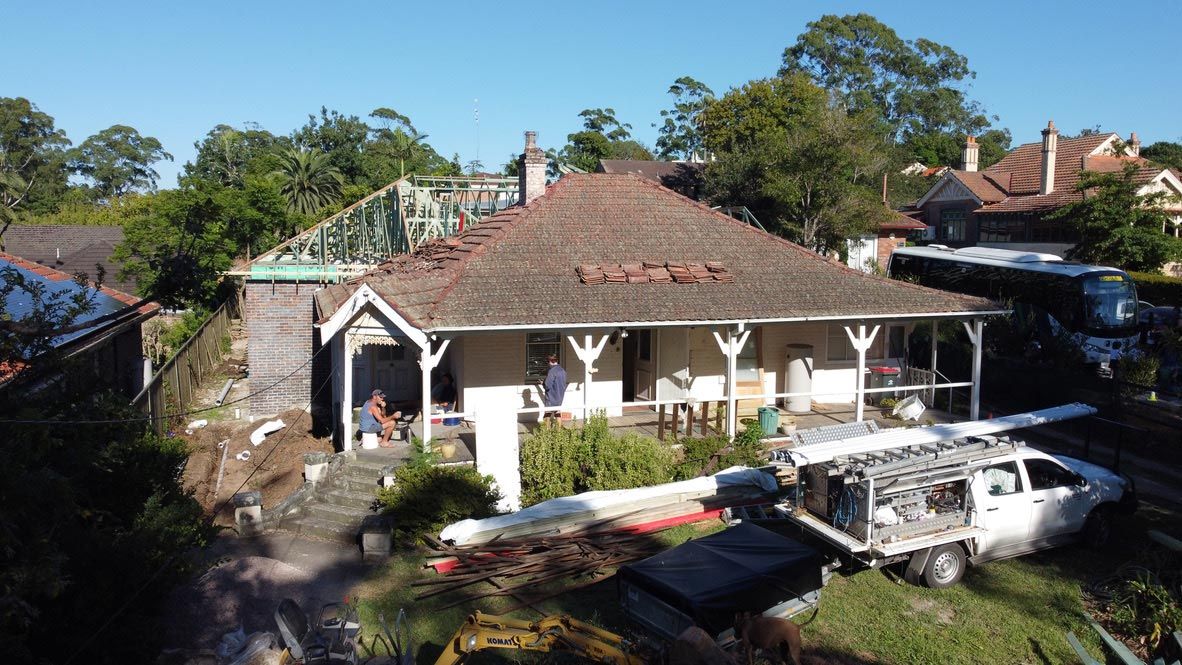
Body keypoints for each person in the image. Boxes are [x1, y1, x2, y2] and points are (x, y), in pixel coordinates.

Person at [542, 354, 567, 422]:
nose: (548, 364)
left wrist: (543, 383)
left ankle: (547, 431)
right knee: (557, 413)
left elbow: (547, 385)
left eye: (548, 362)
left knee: (547, 414)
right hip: (560, 396)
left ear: (550, 361)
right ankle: (559, 432)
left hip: (551, 396)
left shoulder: (552, 371)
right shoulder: (563, 371)